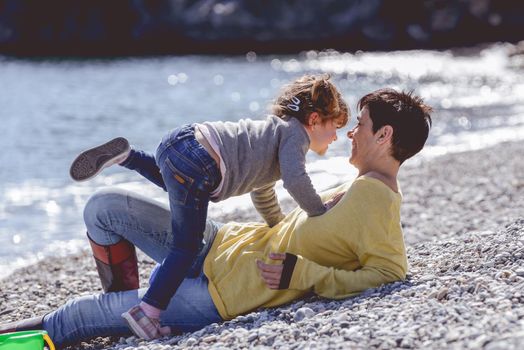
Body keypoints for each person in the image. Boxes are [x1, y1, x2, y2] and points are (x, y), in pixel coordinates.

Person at [0, 88, 432, 348]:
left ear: (384, 135)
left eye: (360, 124)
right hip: (217, 244)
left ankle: (104, 317)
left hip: (224, 295)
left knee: (74, 317)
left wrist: (307, 274)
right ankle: (129, 312)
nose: (352, 133)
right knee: (104, 207)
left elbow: (389, 273)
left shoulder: (379, 200)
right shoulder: (356, 185)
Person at [68, 73, 349, 338]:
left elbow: (262, 193)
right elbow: (295, 179)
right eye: (334, 128)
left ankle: (128, 156)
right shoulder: (296, 135)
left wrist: (278, 224)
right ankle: (148, 312)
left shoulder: (270, 134)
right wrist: (319, 211)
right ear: (314, 119)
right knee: (187, 246)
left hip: (179, 145)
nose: (335, 138)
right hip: (199, 163)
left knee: (175, 184)